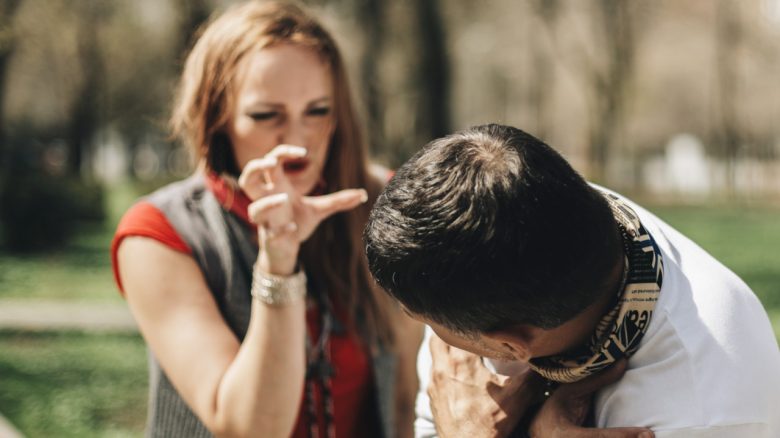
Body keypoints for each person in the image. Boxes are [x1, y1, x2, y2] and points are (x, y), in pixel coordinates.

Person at [110, 2, 421, 437]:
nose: (296, 139)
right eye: (266, 115)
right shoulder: (159, 233)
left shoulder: (379, 203)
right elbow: (249, 427)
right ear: (217, 118)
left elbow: (408, 394)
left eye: (318, 111)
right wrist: (278, 263)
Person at [364, 123, 780, 437]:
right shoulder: (502, 227)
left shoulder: (705, 414)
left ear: (510, 345)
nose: (434, 342)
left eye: (421, 319)